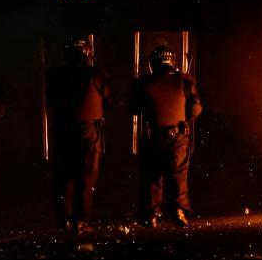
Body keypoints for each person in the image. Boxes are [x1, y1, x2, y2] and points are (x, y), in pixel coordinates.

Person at [128, 44, 202, 228]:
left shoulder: (143, 82)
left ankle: (151, 215)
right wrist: (184, 120)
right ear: (172, 62)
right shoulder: (184, 80)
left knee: (151, 176)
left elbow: (133, 108)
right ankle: (178, 211)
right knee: (178, 174)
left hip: (152, 135)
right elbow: (196, 108)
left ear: (153, 63)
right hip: (177, 135)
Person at [45, 36, 113, 234]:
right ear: (87, 53)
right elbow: (109, 100)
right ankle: (81, 220)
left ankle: (63, 220)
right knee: (87, 176)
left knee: (64, 176)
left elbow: (50, 101)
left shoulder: (54, 75)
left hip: (62, 129)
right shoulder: (95, 75)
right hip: (87, 131)